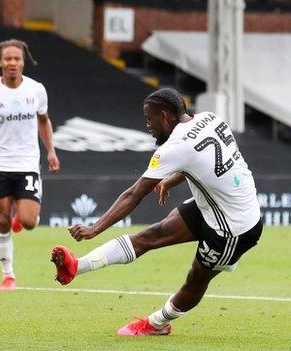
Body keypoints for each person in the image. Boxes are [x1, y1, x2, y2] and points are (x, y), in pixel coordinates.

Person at [51, 88, 262, 336]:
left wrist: (94, 228)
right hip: (217, 205)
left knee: (197, 278)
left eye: (149, 119)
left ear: (164, 116)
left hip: (234, 227)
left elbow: (134, 194)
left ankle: (157, 324)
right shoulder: (210, 118)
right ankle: (76, 266)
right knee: (152, 234)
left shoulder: (175, 146)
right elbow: (199, 160)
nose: (148, 126)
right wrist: (168, 182)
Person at [0, 39, 60, 291]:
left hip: (28, 163)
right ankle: (8, 275)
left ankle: (21, 215)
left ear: (23, 61)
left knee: (29, 222)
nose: (12, 63)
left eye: (16, 59)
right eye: (8, 59)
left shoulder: (36, 89)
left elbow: (44, 121)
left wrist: (51, 151)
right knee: (2, 221)